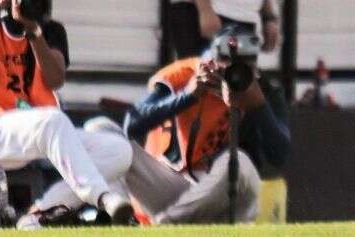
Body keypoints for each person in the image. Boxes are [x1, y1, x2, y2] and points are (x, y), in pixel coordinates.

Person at [0, 0, 134, 228]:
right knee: (53, 122)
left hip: (43, 131)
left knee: (118, 150)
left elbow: (55, 79)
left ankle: (38, 216)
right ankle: (103, 197)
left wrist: (33, 31)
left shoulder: (48, 30)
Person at [87, 28, 291, 225]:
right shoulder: (186, 74)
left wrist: (257, 106)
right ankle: (123, 215)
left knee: (238, 160)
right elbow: (132, 125)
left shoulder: (264, 89)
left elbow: (279, 156)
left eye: (240, 65)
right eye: (224, 62)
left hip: (229, 199)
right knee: (99, 130)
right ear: (209, 59)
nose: (230, 71)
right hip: (176, 187)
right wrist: (187, 96)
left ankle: (167, 225)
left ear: (254, 67)